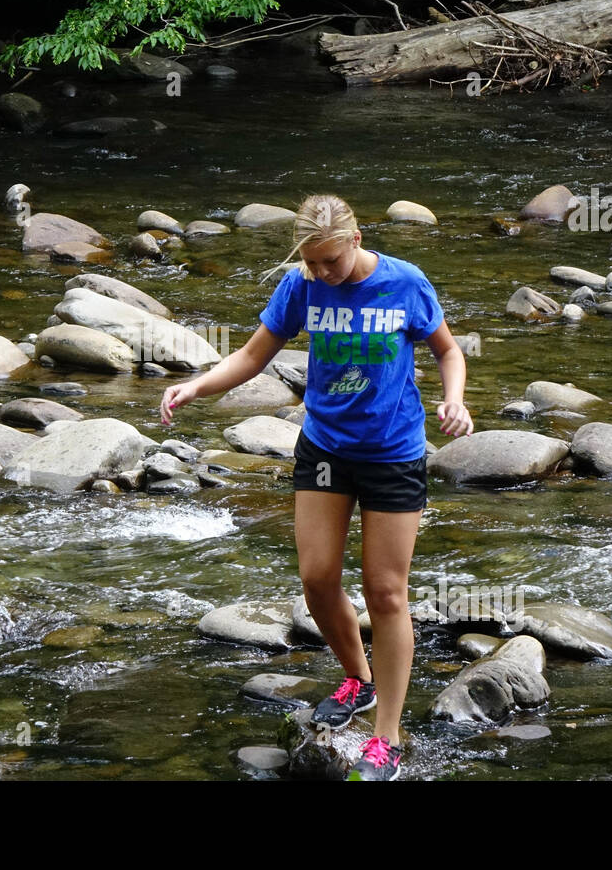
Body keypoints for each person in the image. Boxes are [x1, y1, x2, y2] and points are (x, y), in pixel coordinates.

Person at [159, 193, 473, 781]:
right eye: (312, 261)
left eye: (330, 261)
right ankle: (359, 680)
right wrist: (196, 387)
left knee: (385, 594)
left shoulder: (405, 282)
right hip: (325, 449)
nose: (322, 272)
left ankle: (388, 738)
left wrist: (454, 398)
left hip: (392, 454)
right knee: (318, 578)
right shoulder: (301, 285)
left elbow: (448, 351)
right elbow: (254, 356)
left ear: (356, 240)